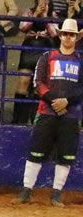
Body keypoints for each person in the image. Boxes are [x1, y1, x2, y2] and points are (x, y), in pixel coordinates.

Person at [18, 17, 82, 206]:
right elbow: (38, 82)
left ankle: (56, 193)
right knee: (36, 152)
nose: (68, 37)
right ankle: (26, 191)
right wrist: (55, 101)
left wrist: (67, 101)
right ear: (60, 35)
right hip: (47, 112)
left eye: (72, 35)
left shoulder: (81, 61)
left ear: (76, 38)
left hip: (70, 114)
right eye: (66, 34)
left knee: (65, 156)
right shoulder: (47, 57)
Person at [15, 0, 59, 115]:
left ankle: (34, 117)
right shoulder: (29, 12)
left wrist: (45, 17)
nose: (43, 1)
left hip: (44, 49)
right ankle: (18, 118)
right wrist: (35, 15)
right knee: (23, 81)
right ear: (36, 0)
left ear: (50, 1)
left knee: (38, 86)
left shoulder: (53, 15)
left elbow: (54, 33)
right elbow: (22, 27)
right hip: (29, 48)